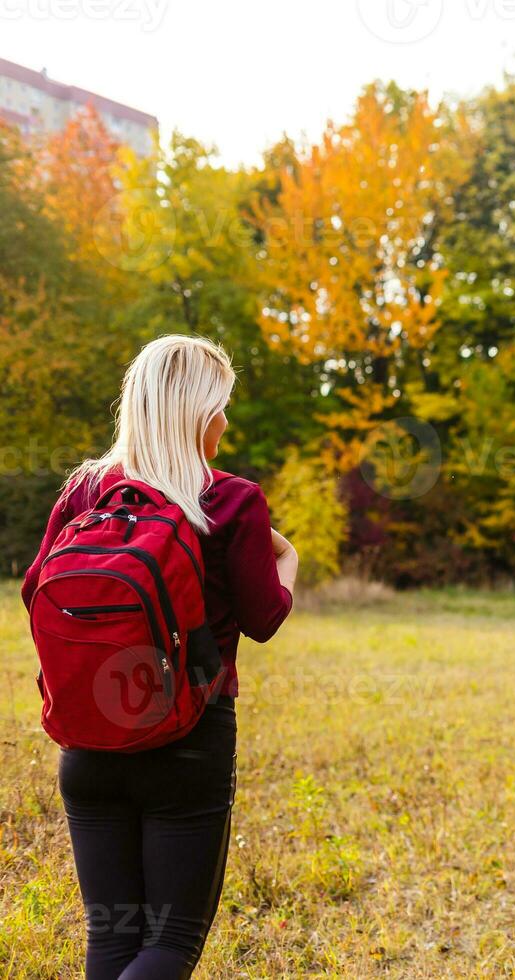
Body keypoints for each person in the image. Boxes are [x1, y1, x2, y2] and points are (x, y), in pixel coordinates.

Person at [20, 334, 298, 979]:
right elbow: (264, 618)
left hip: (87, 742)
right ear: (201, 413)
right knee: (169, 945)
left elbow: (35, 590)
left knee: (112, 941)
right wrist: (288, 559)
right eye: (222, 406)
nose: (227, 421)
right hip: (189, 739)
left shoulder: (86, 491)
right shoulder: (232, 499)